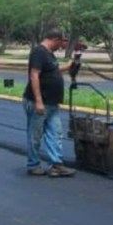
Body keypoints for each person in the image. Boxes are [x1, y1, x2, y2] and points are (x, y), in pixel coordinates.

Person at [23, 28, 77, 178]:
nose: (60, 47)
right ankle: (33, 165)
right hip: (39, 102)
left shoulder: (48, 54)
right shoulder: (39, 52)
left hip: (52, 104)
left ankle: (56, 165)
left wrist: (69, 66)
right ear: (55, 39)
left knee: (55, 133)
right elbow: (34, 76)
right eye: (60, 43)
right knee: (35, 135)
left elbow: (53, 70)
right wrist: (39, 102)